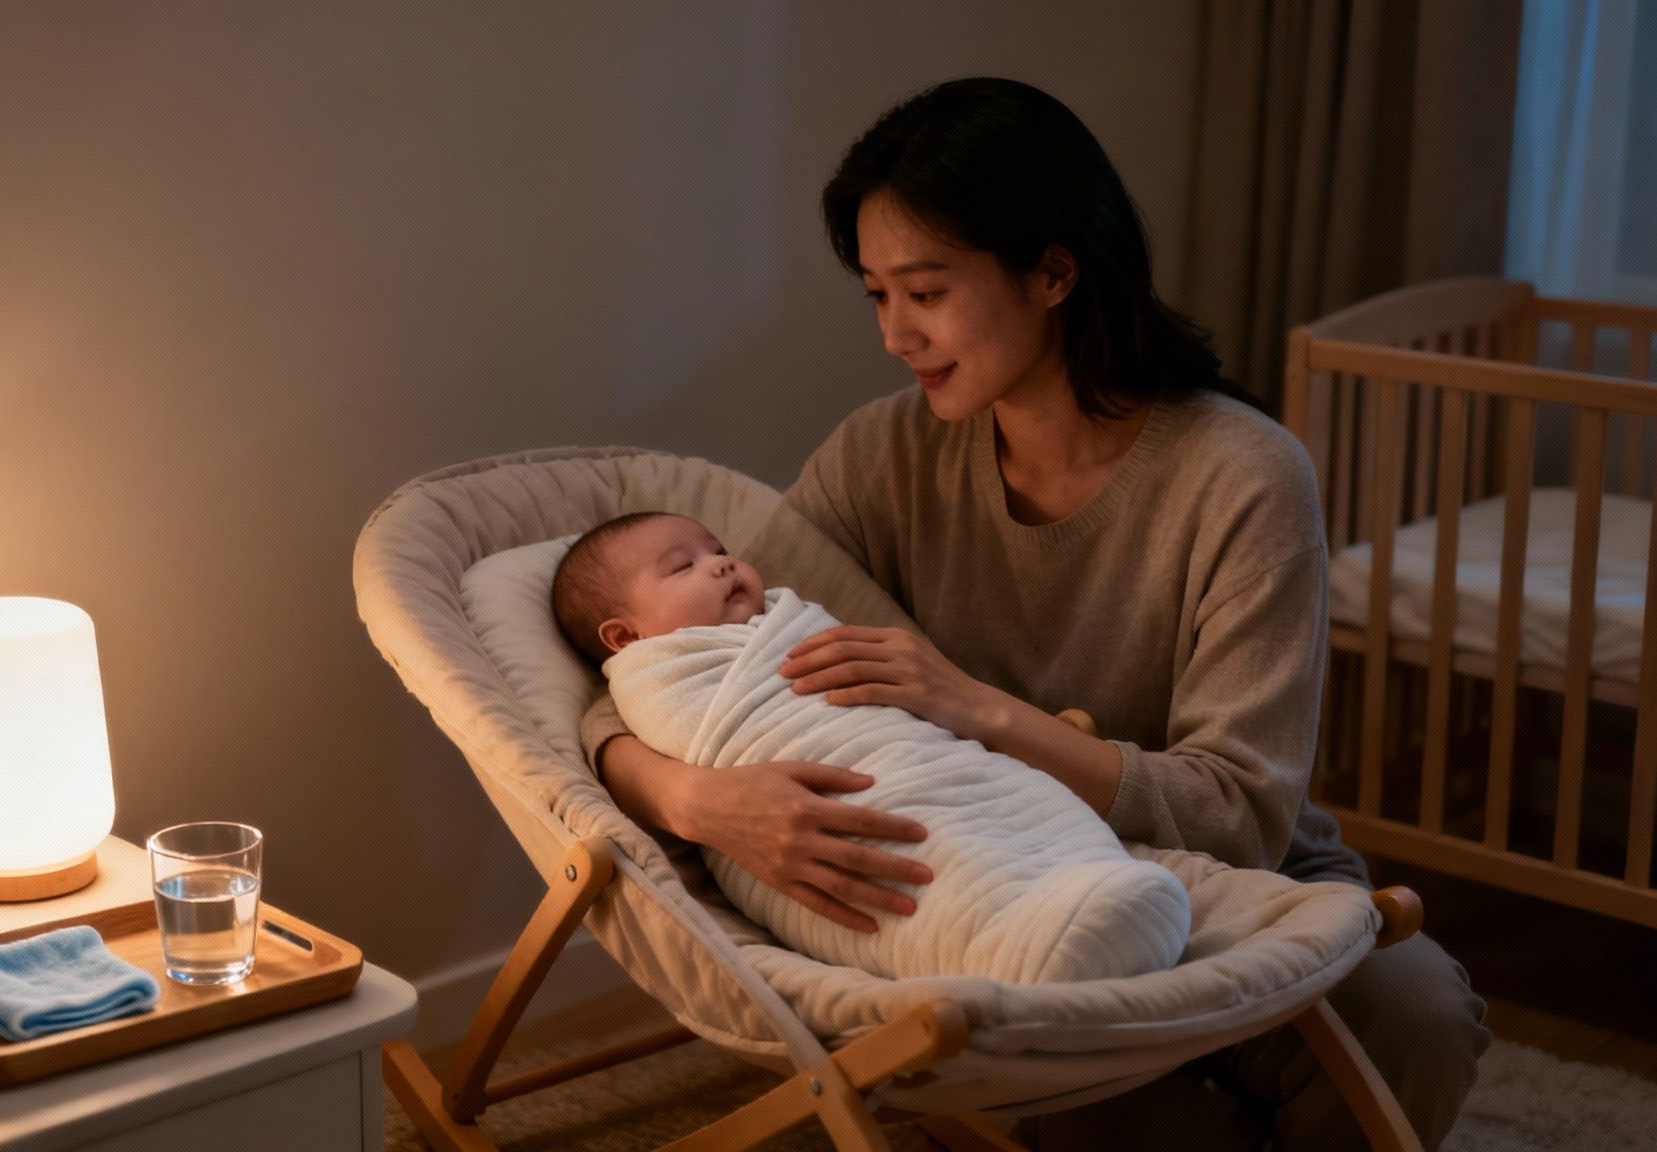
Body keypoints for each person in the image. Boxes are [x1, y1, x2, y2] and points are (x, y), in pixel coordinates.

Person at [580, 77, 1488, 1150]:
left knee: (1419, 1019)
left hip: (1228, 881)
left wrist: (979, 709)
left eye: (924, 291)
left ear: (1053, 271)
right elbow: (668, 673)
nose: (894, 335)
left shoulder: (1241, 475)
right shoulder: (883, 455)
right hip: (994, 890)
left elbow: (1239, 811)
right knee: (1092, 1100)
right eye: (875, 295)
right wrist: (690, 798)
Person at [551, 510, 1190, 986]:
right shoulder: (653, 678)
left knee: (1017, 801)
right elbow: (638, 721)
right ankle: (1018, 947)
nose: (722, 563)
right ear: (625, 638)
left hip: (918, 755)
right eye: (681, 566)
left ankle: (1093, 881)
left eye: (719, 550)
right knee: (914, 860)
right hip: (814, 805)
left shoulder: (785, 615)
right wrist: (688, 796)